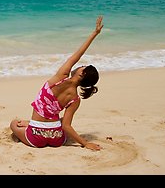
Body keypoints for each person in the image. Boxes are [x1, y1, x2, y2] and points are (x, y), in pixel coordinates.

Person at [10, 16, 104, 151]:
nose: (79, 66)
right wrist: (85, 143)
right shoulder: (75, 99)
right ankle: (31, 123)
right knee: (60, 121)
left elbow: (78, 54)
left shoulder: (61, 77)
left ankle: (31, 125)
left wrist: (94, 33)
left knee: (14, 123)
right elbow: (67, 126)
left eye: (82, 66)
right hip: (57, 138)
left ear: (81, 74)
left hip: (36, 137)